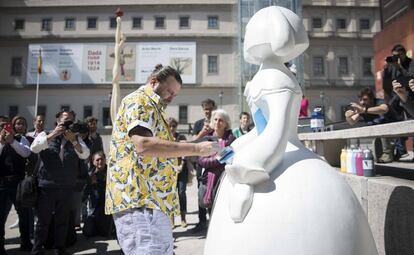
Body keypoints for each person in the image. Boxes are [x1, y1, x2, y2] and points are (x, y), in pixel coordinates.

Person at [105, 64, 217, 255]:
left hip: (154, 201)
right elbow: (144, 144)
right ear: (154, 82)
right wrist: (196, 148)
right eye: (169, 91)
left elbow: (162, 150)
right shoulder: (139, 101)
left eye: (175, 94)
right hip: (141, 200)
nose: (171, 97)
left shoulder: (154, 108)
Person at [30, 110, 90, 255]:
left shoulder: (75, 137)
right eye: (65, 120)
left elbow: (85, 154)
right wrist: (53, 134)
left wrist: (74, 141)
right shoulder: (45, 134)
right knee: (43, 222)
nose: (68, 122)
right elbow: (34, 148)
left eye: (71, 120)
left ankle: (59, 249)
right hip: (47, 185)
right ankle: (37, 250)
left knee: (62, 221)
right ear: (57, 121)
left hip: (66, 186)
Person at [0, 116, 32, 254]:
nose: (4, 128)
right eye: (1, 126)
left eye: (6, 126)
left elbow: (26, 153)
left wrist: (12, 141)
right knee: (0, 216)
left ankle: (25, 243)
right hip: (1, 182)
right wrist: (2, 143)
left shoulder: (21, 139)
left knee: (23, 214)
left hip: (17, 182)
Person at [198, 109, 235, 213]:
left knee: (223, 211)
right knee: (211, 212)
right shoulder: (206, 139)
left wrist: (214, 159)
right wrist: (221, 158)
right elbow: (201, 161)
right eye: (215, 119)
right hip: (209, 180)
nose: (217, 122)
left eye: (221, 120)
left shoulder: (231, 139)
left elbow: (232, 157)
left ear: (226, 124)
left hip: (226, 179)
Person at [344, 87, 394, 163]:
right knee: (376, 156)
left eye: (365, 99)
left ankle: (388, 153)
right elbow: (352, 122)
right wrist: (348, 116)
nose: (362, 102)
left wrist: (364, 110)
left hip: (393, 130)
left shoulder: (378, 102)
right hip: (380, 135)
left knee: (383, 128)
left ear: (371, 99)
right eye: (360, 100)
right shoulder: (363, 108)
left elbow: (384, 109)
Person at [191, 98, 216, 233]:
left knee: (213, 191)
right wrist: (203, 133)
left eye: (210, 109)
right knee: (201, 190)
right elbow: (193, 141)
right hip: (201, 163)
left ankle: (213, 221)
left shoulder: (217, 121)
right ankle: (202, 221)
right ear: (203, 110)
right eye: (206, 109)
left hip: (214, 163)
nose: (208, 111)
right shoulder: (198, 124)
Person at [167, 117, 193, 228]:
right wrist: (172, 167)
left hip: (181, 170)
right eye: (170, 126)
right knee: (171, 195)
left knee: (181, 193)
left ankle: (183, 218)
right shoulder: (164, 138)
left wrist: (181, 165)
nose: (172, 128)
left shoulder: (181, 137)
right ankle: (171, 219)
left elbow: (184, 151)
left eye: (174, 126)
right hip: (169, 171)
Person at [83, 151, 113, 237]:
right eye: (97, 160)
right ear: (93, 162)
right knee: (87, 232)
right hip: (94, 209)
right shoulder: (90, 175)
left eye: (102, 159)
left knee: (106, 233)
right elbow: (84, 195)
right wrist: (91, 184)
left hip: (107, 209)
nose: (100, 162)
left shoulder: (111, 173)